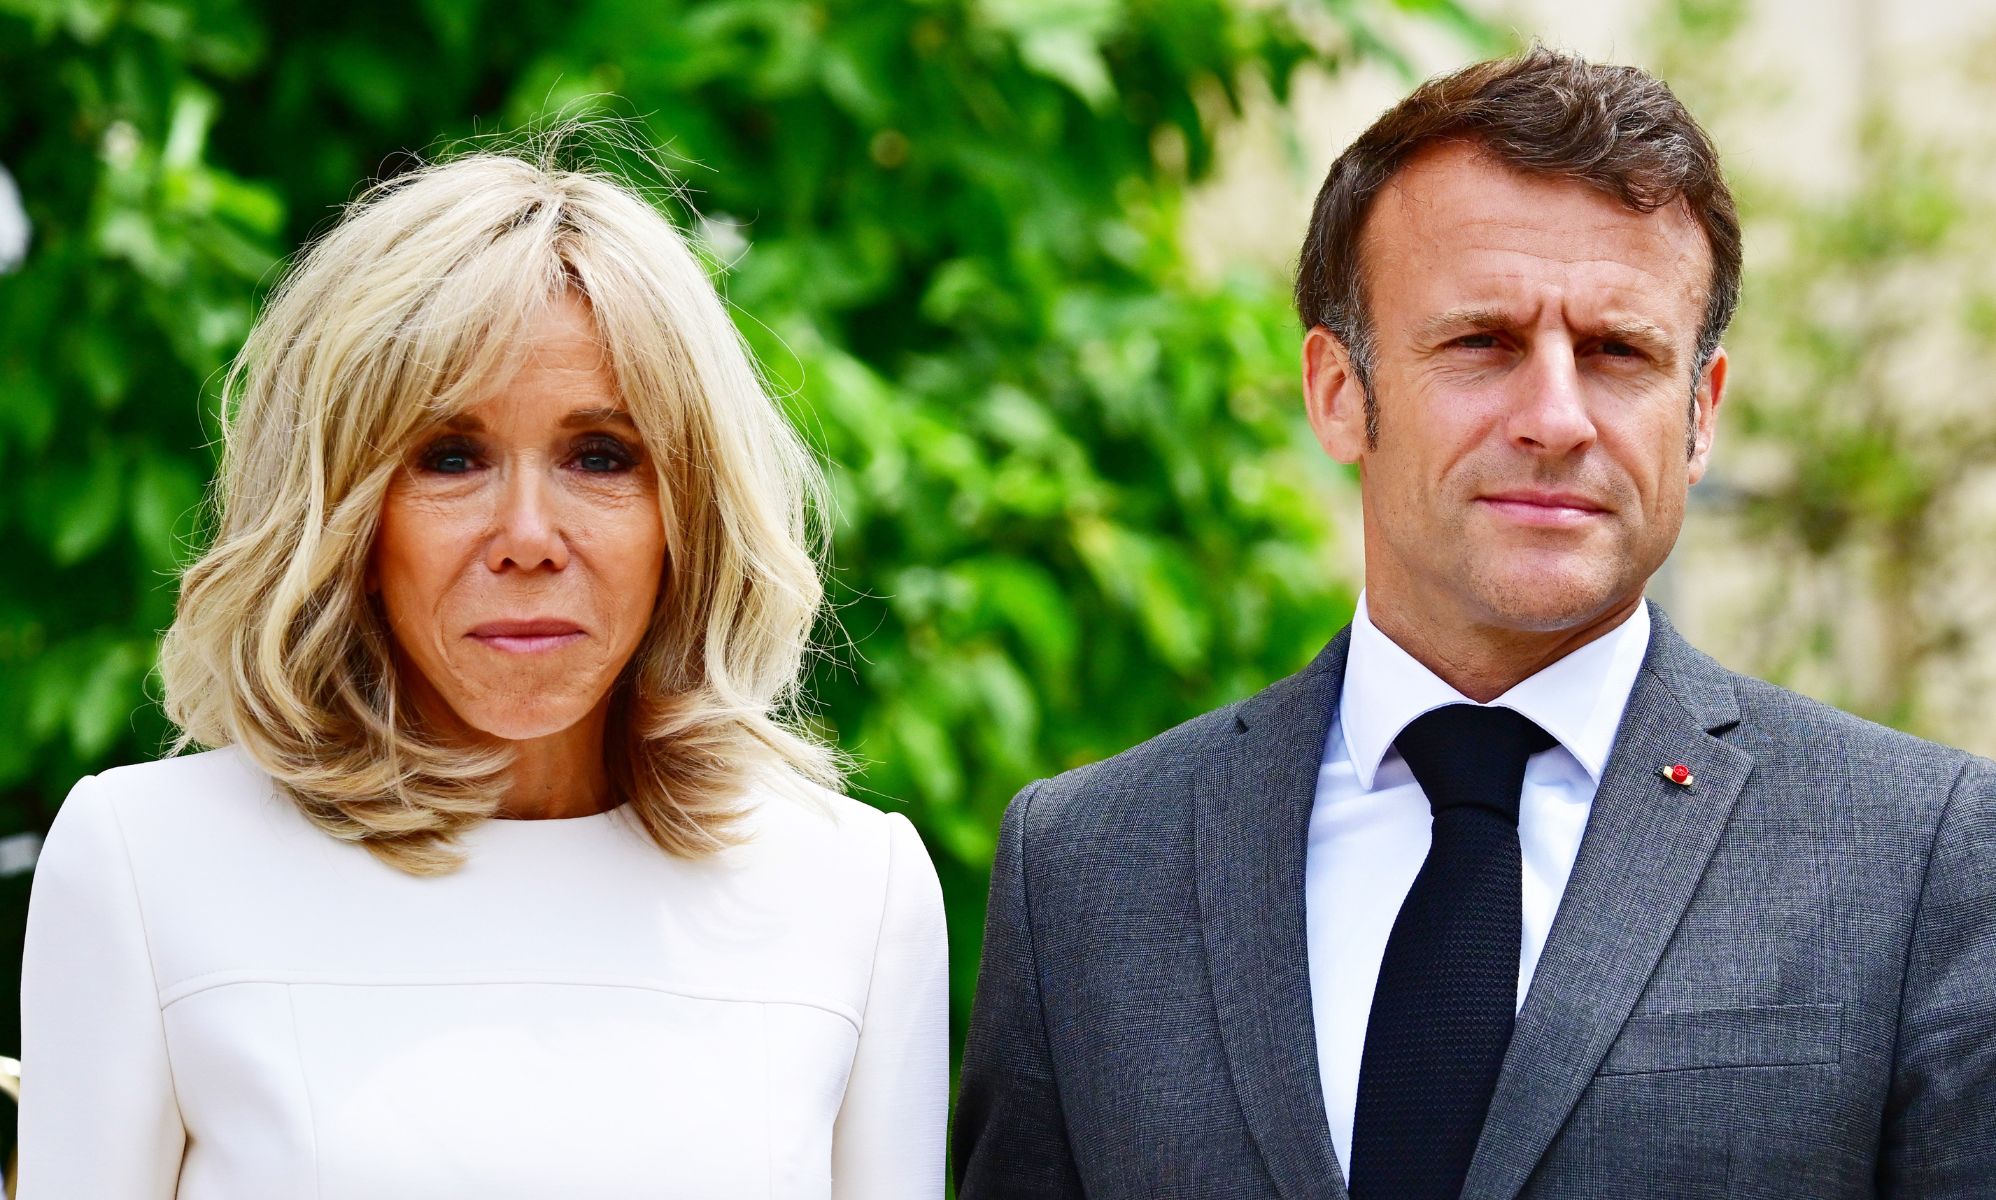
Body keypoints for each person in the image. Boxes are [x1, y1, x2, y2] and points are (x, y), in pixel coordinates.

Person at [953, 47, 1996, 1199]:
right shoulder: (1087, 869)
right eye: (1481, 342)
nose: (1554, 418)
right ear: (1338, 392)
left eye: (1617, 353)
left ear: (1699, 418)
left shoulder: (1921, 856)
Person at [20, 148, 947, 1198]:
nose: (527, 537)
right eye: (450, 457)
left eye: (600, 455)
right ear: (344, 515)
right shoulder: (147, 863)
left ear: (688, 513)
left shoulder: (852, 892)